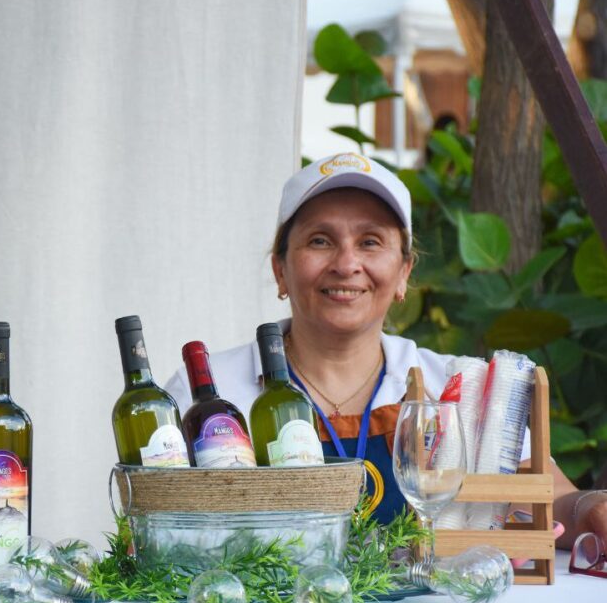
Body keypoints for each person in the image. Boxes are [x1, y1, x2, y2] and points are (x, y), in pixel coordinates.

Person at [166, 152, 607, 547]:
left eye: (370, 241)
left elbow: (556, 500)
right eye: (320, 240)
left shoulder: (455, 386)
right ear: (280, 269)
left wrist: (590, 507)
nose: (346, 264)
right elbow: (159, 525)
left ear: (403, 273)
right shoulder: (209, 392)